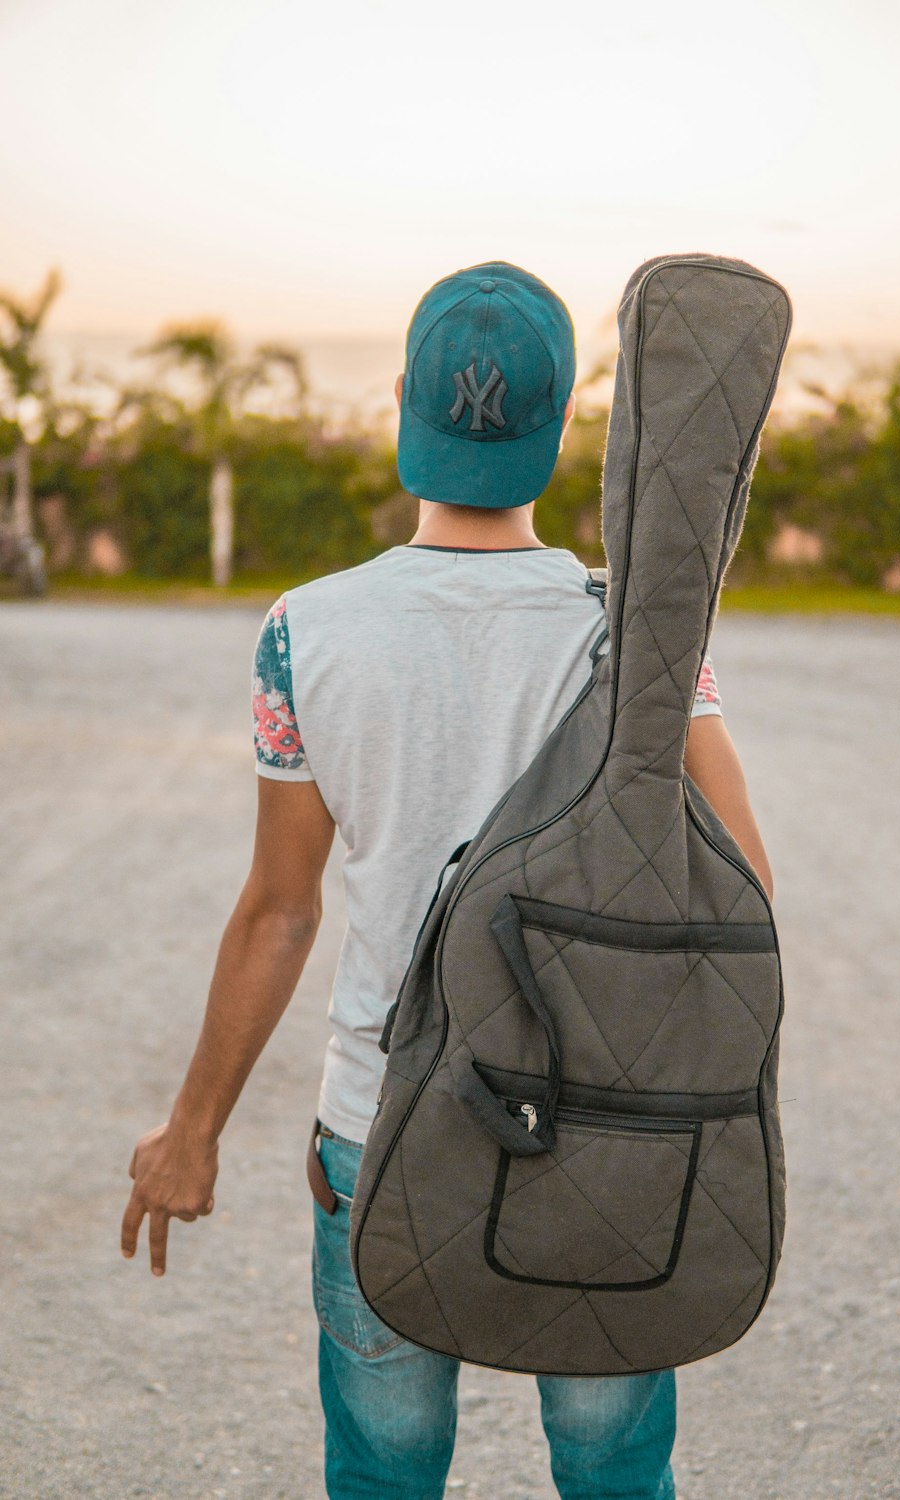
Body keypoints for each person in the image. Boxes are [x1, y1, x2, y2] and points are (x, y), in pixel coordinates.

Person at [121, 261, 774, 1500]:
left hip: (382, 1127)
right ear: (564, 429)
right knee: (612, 1474)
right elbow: (743, 886)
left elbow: (280, 910)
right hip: (604, 1133)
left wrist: (192, 1132)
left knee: (382, 1471)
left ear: (407, 411)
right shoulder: (628, 629)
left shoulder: (303, 629)